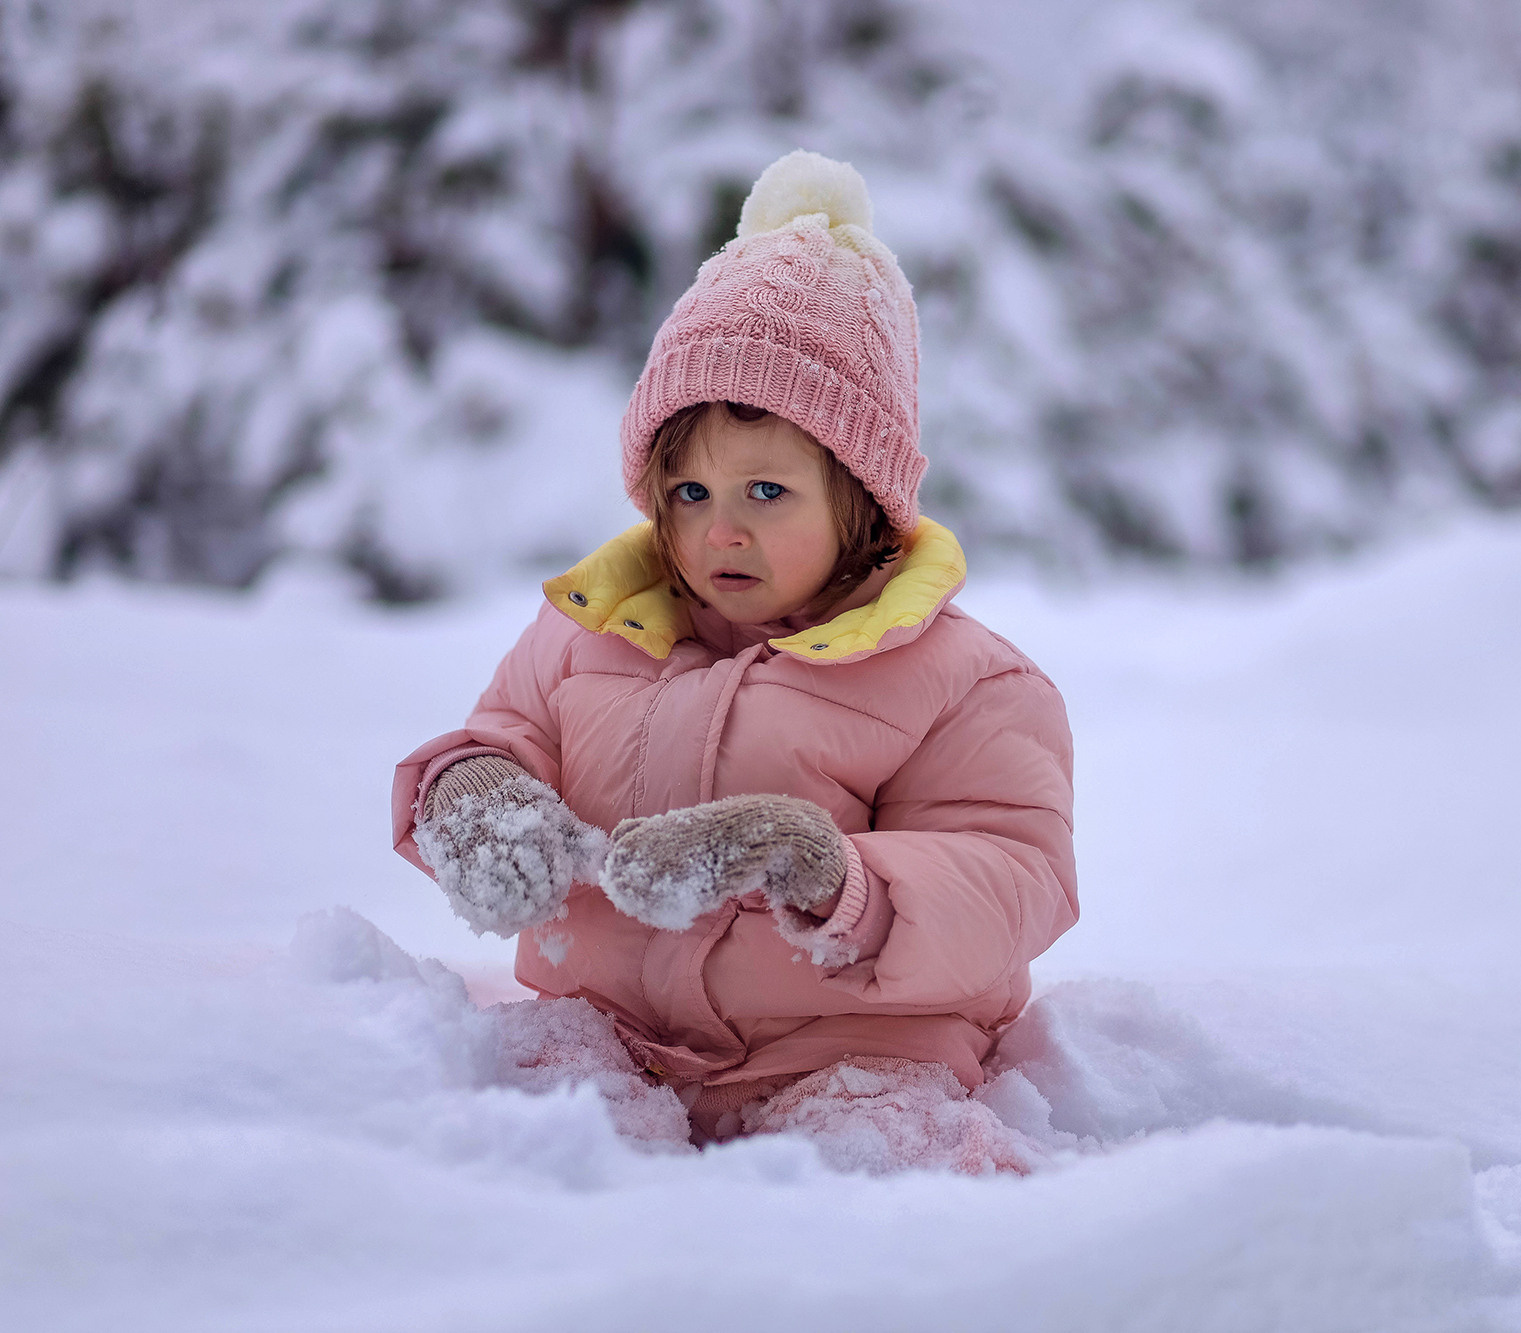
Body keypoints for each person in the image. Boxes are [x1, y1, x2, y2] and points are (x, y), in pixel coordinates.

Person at [390, 150, 1077, 1172]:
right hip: (612, 1041)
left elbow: (1014, 878)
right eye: (689, 493)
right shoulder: (589, 631)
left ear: (859, 500)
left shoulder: (966, 682)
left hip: (855, 1054)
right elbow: (506, 735)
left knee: (887, 1171)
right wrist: (471, 791)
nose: (720, 533)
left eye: (766, 493)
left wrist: (823, 865)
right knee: (501, 1136)